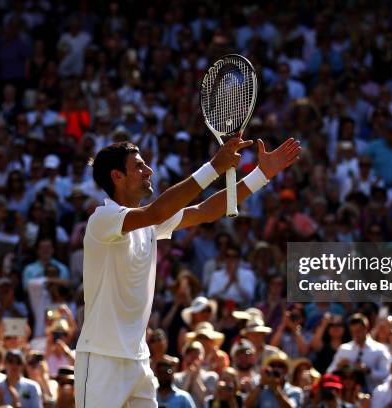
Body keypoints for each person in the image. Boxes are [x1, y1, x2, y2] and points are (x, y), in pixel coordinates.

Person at [74, 138, 300, 408]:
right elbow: (157, 212)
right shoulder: (103, 219)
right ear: (117, 176)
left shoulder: (147, 223)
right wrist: (214, 167)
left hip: (138, 360)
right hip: (101, 359)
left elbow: (205, 210)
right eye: (139, 166)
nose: (149, 171)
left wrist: (261, 175)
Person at [327, 313, 391, 392]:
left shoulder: (380, 349)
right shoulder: (344, 349)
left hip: (373, 394)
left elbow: (386, 375)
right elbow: (329, 373)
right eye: (353, 332)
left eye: (358, 331)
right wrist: (338, 366)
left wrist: (368, 371)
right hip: (348, 396)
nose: (356, 335)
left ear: (366, 328)